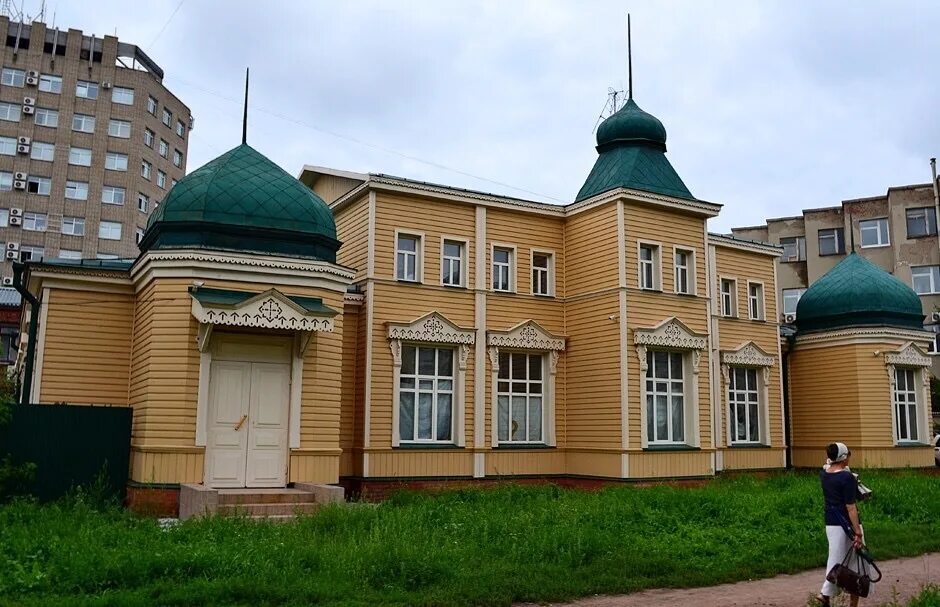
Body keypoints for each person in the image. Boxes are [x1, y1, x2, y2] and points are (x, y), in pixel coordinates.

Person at [816, 442, 865, 607]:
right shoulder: (846, 477)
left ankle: (826, 594)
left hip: (831, 522)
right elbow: (850, 507)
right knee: (854, 562)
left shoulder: (824, 474)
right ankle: (827, 593)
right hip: (847, 524)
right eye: (848, 454)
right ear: (843, 457)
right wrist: (857, 531)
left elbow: (827, 466)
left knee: (836, 556)